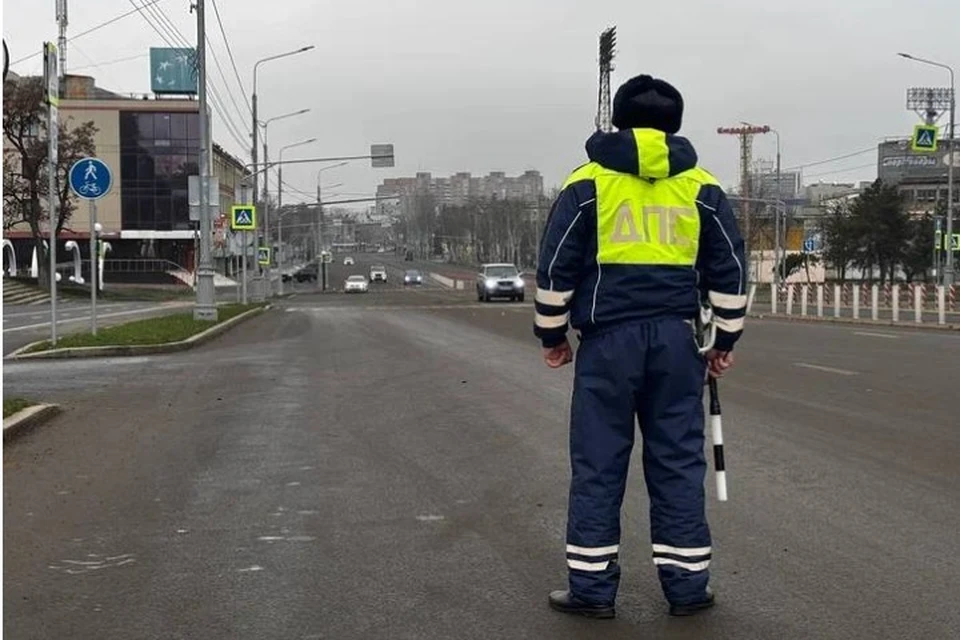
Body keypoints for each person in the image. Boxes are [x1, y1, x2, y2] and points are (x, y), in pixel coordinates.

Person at [534, 74, 747, 619]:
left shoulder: (587, 185)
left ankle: (591, 590)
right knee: (677, 463)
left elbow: (556, 268)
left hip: (607, 345)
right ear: (674, 123)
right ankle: (688, 588)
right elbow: (730, 272)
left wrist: (553, 336)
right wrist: (723, 340)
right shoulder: (703, 188)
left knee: (599, 464)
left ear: (619, 120)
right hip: (678, 343)